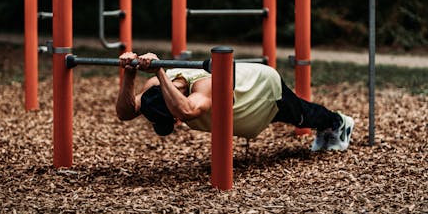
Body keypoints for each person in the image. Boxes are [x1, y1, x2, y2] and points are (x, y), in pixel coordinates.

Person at [116, 52, 354, 151]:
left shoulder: (203, 87)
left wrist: (158, 70)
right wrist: (129, 74)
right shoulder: (156, 88)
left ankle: (338, 123)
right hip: (245, 109)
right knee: (297, 115)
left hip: (261, 90)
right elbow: (125, 113)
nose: (178, 122)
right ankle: (329, 123)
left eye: (173, 119)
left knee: (301, 115)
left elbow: (187, 110)